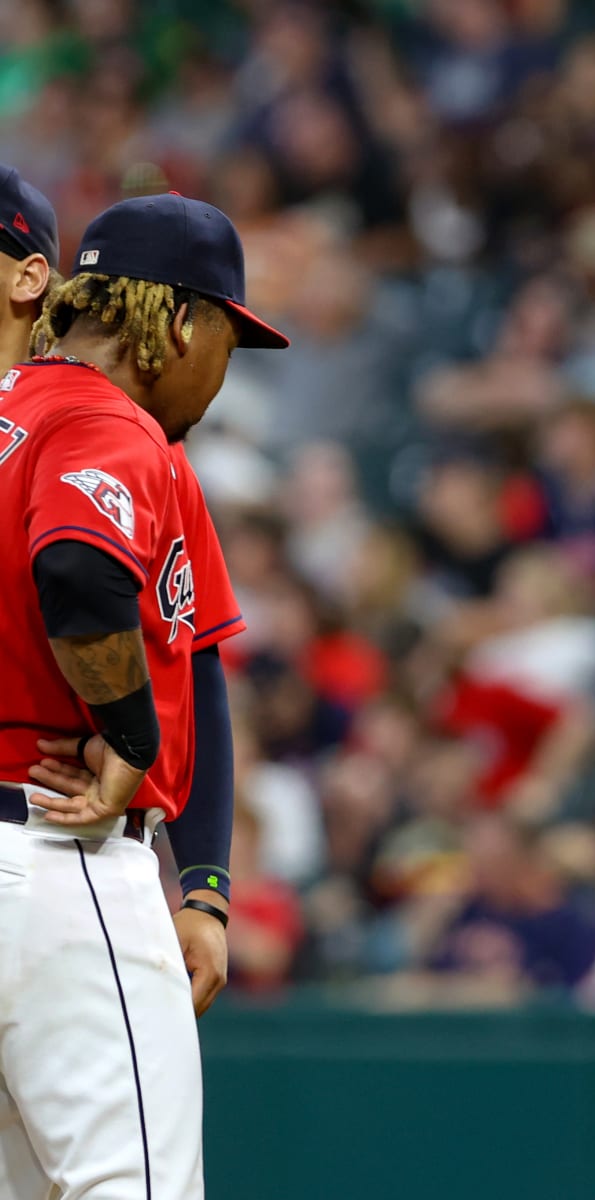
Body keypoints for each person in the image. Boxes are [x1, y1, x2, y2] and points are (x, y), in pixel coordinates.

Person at [0, 190, 286, 1198]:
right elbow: (78, 571)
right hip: (57, 859)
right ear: (176, 320)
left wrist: (203, 887)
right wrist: (127, 736)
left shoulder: (19, 419)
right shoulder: (107, 422)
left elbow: (197, 665)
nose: (221, 369)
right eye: (225, 336)